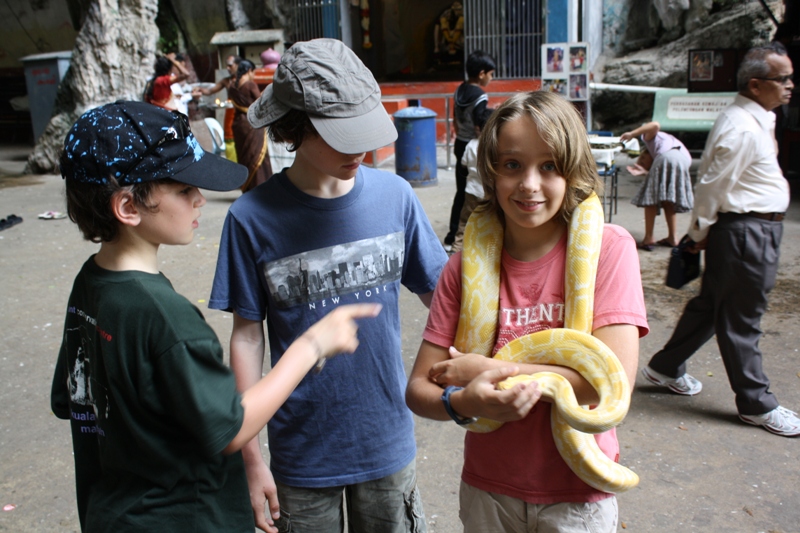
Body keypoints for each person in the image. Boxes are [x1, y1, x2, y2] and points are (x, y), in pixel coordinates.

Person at [50, 100, 382, 532]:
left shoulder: (90, 286)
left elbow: (71, 399)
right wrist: (311, 344)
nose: (200, 200)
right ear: (128, 207)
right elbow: (231, 428)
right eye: (184, 189)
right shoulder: (165, 318)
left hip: (111, 514)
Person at [209, 38, 447, 533]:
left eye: (365, 132)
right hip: (301, 452)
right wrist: (251, 461)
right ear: (295, 126)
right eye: (341, 136)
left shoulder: (396, 197)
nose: (360, 150)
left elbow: (444, 299)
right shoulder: (251, 219)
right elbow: (248, 337)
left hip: (386, 441)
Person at [406, 91, 648, 533]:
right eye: (512, 165)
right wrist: (464, 402)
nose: (529, 184)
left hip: (577, 494)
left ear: (573, 170)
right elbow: (420, 389)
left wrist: (492, 369)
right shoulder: (464, 265)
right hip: (488, 489)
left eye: (550, 166)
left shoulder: (609, 249)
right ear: (491, 173)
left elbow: (610, 389)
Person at [642, 43, 800, 437]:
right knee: (742, 319)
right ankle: (756, 403)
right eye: (783, 79)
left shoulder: (760, 117)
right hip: (747, 231)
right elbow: (712, 185)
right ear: (756, 84)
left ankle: (663, 368)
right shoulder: (742, 127)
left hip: (749, 228)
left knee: (713, 307)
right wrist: (697, 235)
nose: (790, 86)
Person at [444, 49, 496, 250]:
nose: (491, 79)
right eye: (491, 74)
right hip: (473, 145)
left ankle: (452, 235)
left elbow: (455, 119)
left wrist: (459, 134)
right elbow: (480, 125)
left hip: (460, 143)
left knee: (461, 191)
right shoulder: (480, 96)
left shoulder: (460, 90)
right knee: (477, 190)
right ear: (482, 73)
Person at [620, 121, 694, 250]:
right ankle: (672, 237)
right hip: (684, 162)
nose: (642, 162)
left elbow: (655, 125)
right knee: (668, 200)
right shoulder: (669, 143)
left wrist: (632, 133)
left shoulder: (652, 138)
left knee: (650, 199)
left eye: (642, 159)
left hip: (668, 159)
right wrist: (646, 172)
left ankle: (649, 237)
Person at [450, 106, 493, 254]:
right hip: (488, 192)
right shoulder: (494, 146)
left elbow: (463, 164)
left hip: (471, 191)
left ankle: (455, 252)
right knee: (489, 224)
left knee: (464, 224)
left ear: (477, 127)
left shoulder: (471, 144)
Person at [228, 59, 273, 192]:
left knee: (245, 156)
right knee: (258, 156)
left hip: (238, 125)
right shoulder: (250, 85)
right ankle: (260, 187)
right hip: (252, 124)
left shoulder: (232, 87)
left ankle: (247, 187)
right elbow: (260, 104)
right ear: (249, 71)